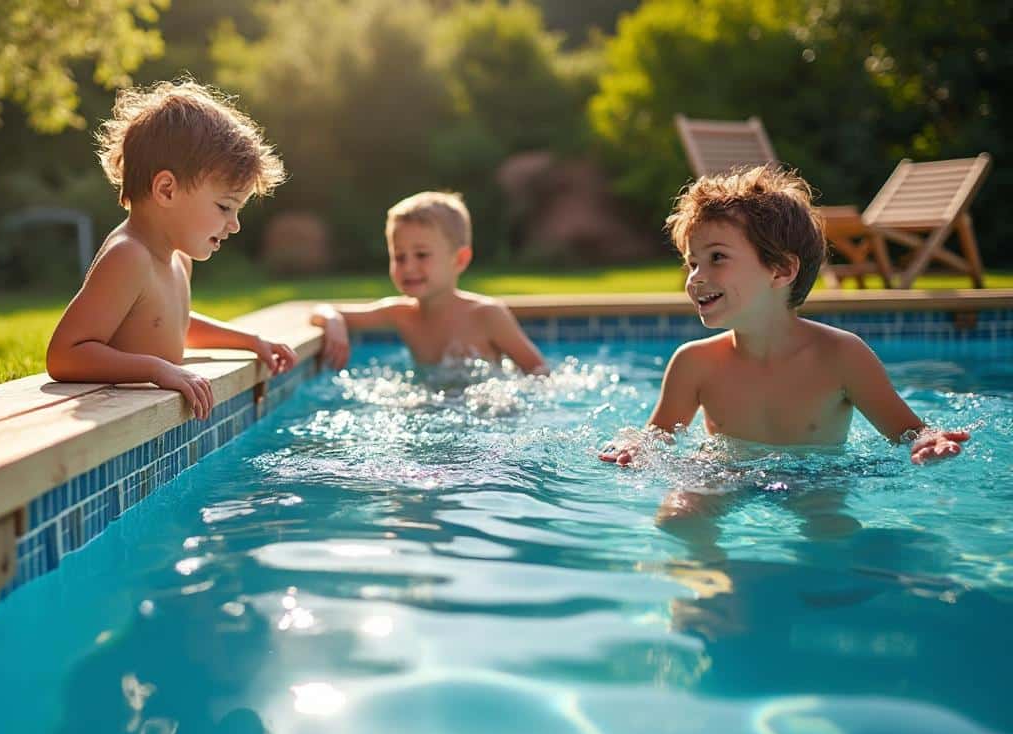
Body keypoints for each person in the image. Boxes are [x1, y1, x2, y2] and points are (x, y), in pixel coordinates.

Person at [599, 165, 968, 472]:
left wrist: (928, 440)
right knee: (679, 516)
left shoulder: (841, 356)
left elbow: (907, 432)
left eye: (717, 257)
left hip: (817, 481)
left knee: (828, 527)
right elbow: (657, 436)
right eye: (692, 263)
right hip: (727, 474)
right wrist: (634, 445)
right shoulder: (693, 363)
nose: (695, 277)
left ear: (781, 270)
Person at [47, 79, 297, 419]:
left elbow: (170, 323)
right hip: (124, 424)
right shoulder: (129, 256)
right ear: (166, 190)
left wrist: (248, 340)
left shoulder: (177, 259)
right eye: (225, 207)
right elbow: (65, 355)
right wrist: (155, 369)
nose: (235, 225)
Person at [310, 191, 547, 373]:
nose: (408, 267)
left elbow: (538, 371)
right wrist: (333, 320)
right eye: (399, 257)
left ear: (460, 260)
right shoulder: (401, 314)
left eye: (421, 255)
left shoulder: (487, 315)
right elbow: (320, 309)